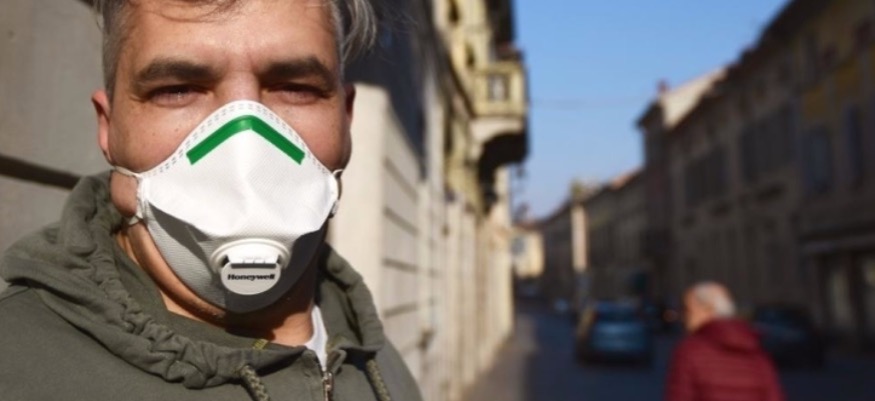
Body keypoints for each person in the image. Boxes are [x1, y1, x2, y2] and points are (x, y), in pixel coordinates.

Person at [0, 1, 423, 400]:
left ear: (345, 120)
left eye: (295, 88)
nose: (245, 146)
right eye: (178, 89)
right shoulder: (18, 369)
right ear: (109, 129)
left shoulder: (376, 363)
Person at [665, 282, 784, 401]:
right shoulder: (757, 353)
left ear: (707, 310)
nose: (684, 318)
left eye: (688, 310)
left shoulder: (689, 352)